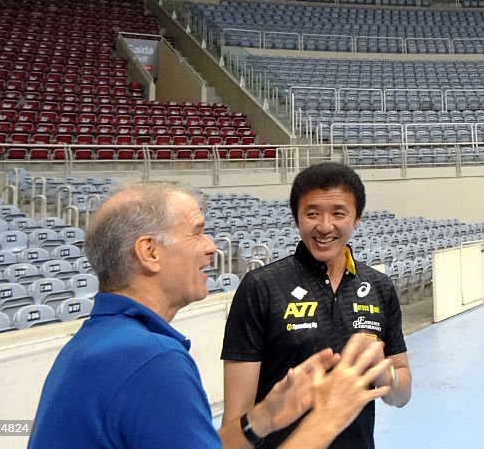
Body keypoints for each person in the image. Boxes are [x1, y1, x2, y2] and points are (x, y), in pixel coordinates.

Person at [29, 181, 390, 449]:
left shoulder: (96, 344)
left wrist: (262, 418)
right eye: (197, 233)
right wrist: (329, 415)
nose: (211, 247)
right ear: (150, 252)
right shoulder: (150, 360)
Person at [222, 162, 411, 449]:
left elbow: (401, 395)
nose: (324, 226)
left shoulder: (379, 287)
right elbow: (235, 422)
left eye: (338, 213)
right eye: (312, 214)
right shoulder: (261, 287)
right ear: (297, 218)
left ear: (356, 218)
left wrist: (382, 371)